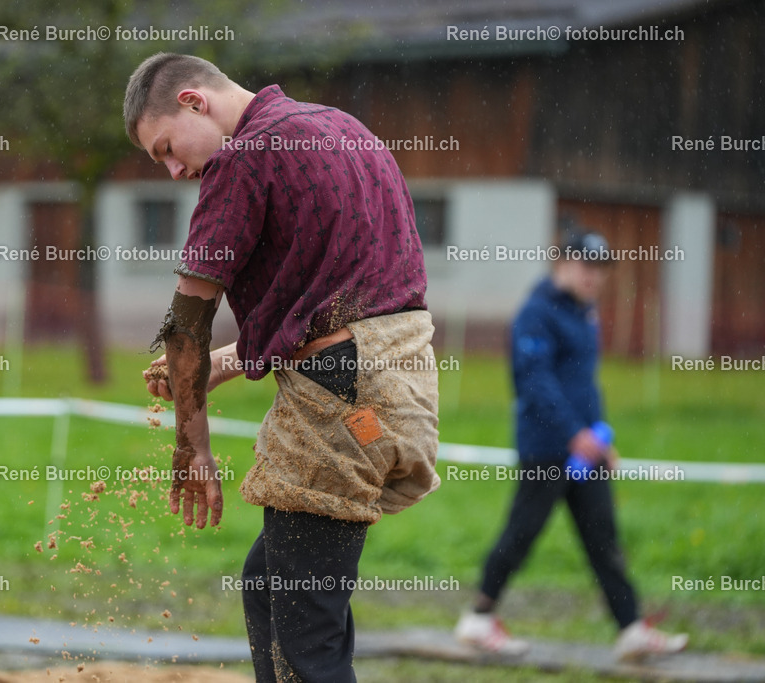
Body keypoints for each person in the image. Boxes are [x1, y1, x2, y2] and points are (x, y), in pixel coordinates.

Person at [124, 53, 441, 682]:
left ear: (194, 101)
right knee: (272, 585)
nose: (175, 169)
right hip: (393, 394)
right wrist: (230, 361)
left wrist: (193, 448)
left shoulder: (243, 158)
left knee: (304, 647)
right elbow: (334, 299)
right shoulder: (343, 129)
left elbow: (185, 324)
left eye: (166, 148)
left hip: (339, 399)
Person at [454, 230, 688, 661]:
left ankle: (630, 629)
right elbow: (535, 383)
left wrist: (600, 434)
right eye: (586, 265)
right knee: (521, 534)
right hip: (546, 449)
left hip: (587, 451)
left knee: (604, 539)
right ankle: (478, 618)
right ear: (561, 263)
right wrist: (573, 434)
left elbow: (583, 385)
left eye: (601, 268)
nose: (594, 275)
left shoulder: (586, 313)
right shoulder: (536, 313)